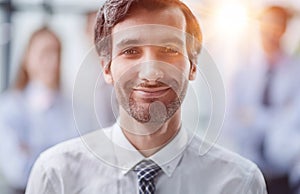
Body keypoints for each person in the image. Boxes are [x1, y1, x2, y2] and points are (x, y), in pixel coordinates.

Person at [25, 0, 267, 193]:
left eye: (169, 50)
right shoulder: (56, 176)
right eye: (131, 51)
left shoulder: (239, 183)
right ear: (107, 68)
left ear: (193, 65)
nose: (151, 72)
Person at [224, 5, 300, 194]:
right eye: (268, 25)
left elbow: (293, 119)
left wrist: (253, 116)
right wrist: (276, 119)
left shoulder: (296, 72)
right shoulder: (242, 71)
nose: (272, 32)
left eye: (278, 26)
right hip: (246, 171)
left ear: (285, 29)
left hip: (284, 173)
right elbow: (231, 122)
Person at [0, 27, 80, 194]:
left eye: (57, 53)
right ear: (27, 57)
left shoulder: (72, 108)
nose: (53, 61)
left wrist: (32, 151)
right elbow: (18, 171)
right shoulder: (9, 107)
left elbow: (80, 165)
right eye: (45, 53)